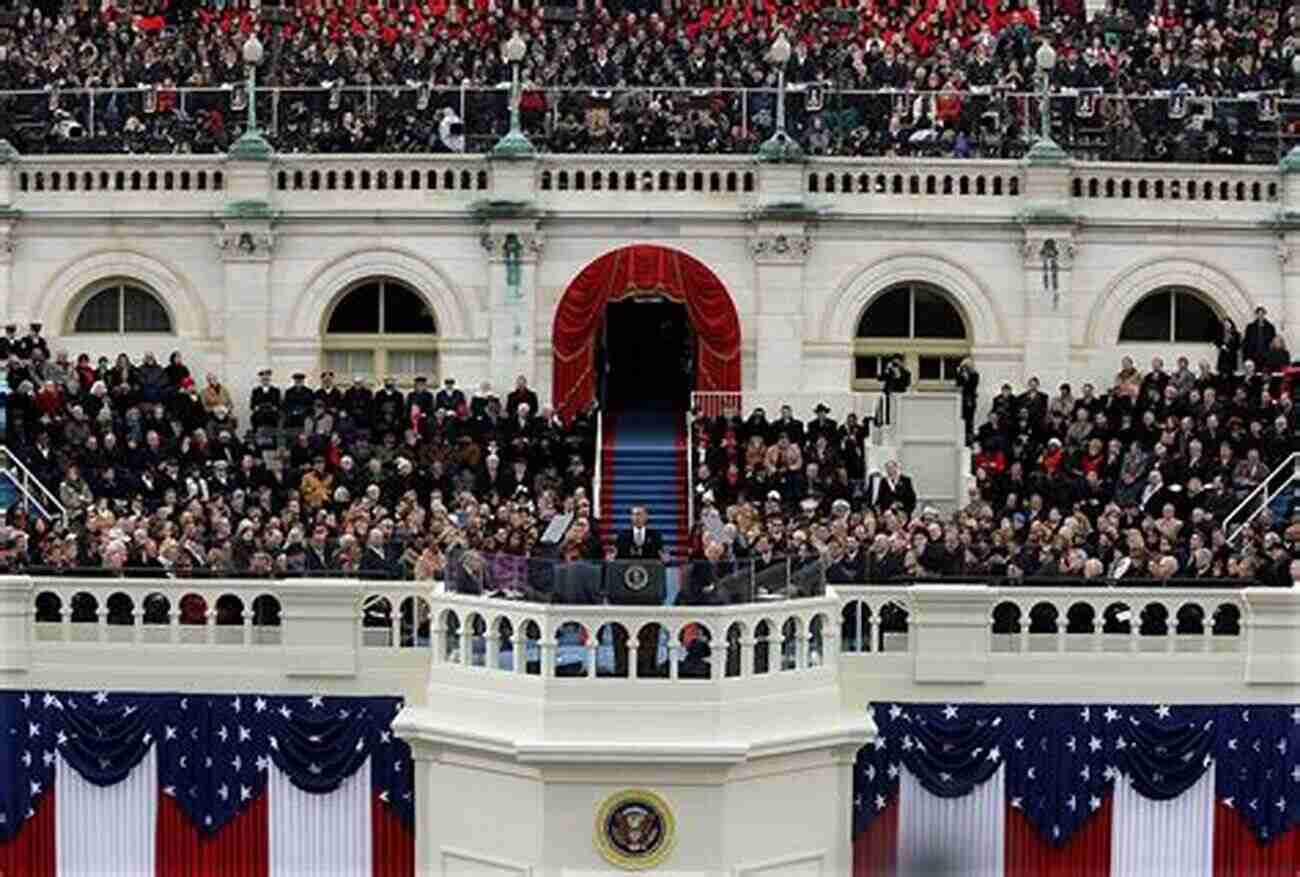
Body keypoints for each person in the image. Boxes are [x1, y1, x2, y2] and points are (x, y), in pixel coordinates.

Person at [955, 358, 979, 446]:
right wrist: (960, 375)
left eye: (967, 367)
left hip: (970, 400)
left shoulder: (975, 375)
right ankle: (961, 437)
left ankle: (969, 440)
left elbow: (972, 387)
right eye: (964, 367)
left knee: (969, 421)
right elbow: (958, 385)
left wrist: (967, 378)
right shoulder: (961, 374)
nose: (965, 368)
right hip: (962, 400)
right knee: (961, 419)